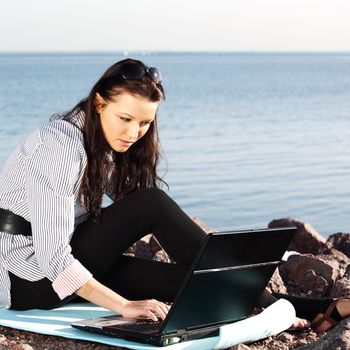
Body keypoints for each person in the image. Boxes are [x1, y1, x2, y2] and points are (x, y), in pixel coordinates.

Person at [0, 58, 348, 334]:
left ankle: (314, 309)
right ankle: (276, 308)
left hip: (67, 258)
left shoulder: (101, 144)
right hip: (28, 278)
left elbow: (128, 209)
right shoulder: (59, 147)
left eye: (144, 123)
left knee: (188, 283)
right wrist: (124, 306)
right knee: (152, 203)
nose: (133, 132)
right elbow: (54, 259)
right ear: (98, 102)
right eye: (125, 118)